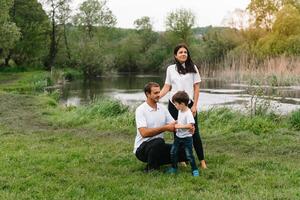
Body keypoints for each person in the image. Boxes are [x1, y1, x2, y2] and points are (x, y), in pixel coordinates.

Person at [159, 43, 207, 169]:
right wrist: (158, 96)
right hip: (174, 105)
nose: (183, 54)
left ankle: (202, 160)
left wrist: (194, 105)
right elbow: (167, 87)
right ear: (175, 55)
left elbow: (196, 88)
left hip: (188, 105)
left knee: (194, 132)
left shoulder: (193, 68)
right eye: (180, 52)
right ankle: (182, 159)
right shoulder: (170, 69)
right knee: (177, 131)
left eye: (185, 52)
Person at [134, 82, 189, 172]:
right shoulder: (141, 110)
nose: (158, 95)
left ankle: (156, 162)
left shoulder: (162, 108)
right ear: (147, 94)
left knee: (185, 152)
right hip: (142, 149)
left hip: (159, 147)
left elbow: (174, 124)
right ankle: (151, 169)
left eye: (159, 92)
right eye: (155, 93)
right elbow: (144, 133)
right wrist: (165, 128)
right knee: (158, 141)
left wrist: (188, 126)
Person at [167, 91, 199, 176]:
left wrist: (178, 126)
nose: (175, 106)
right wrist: (175, 122)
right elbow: (180, 120)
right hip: (178, 137)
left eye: (176, 104)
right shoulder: (180, 111)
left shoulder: (188, 113)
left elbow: (190, 125)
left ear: (182, 104)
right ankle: (174, 168)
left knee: (189, 155)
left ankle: (194, 169)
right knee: (173, 152)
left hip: (187, 138)